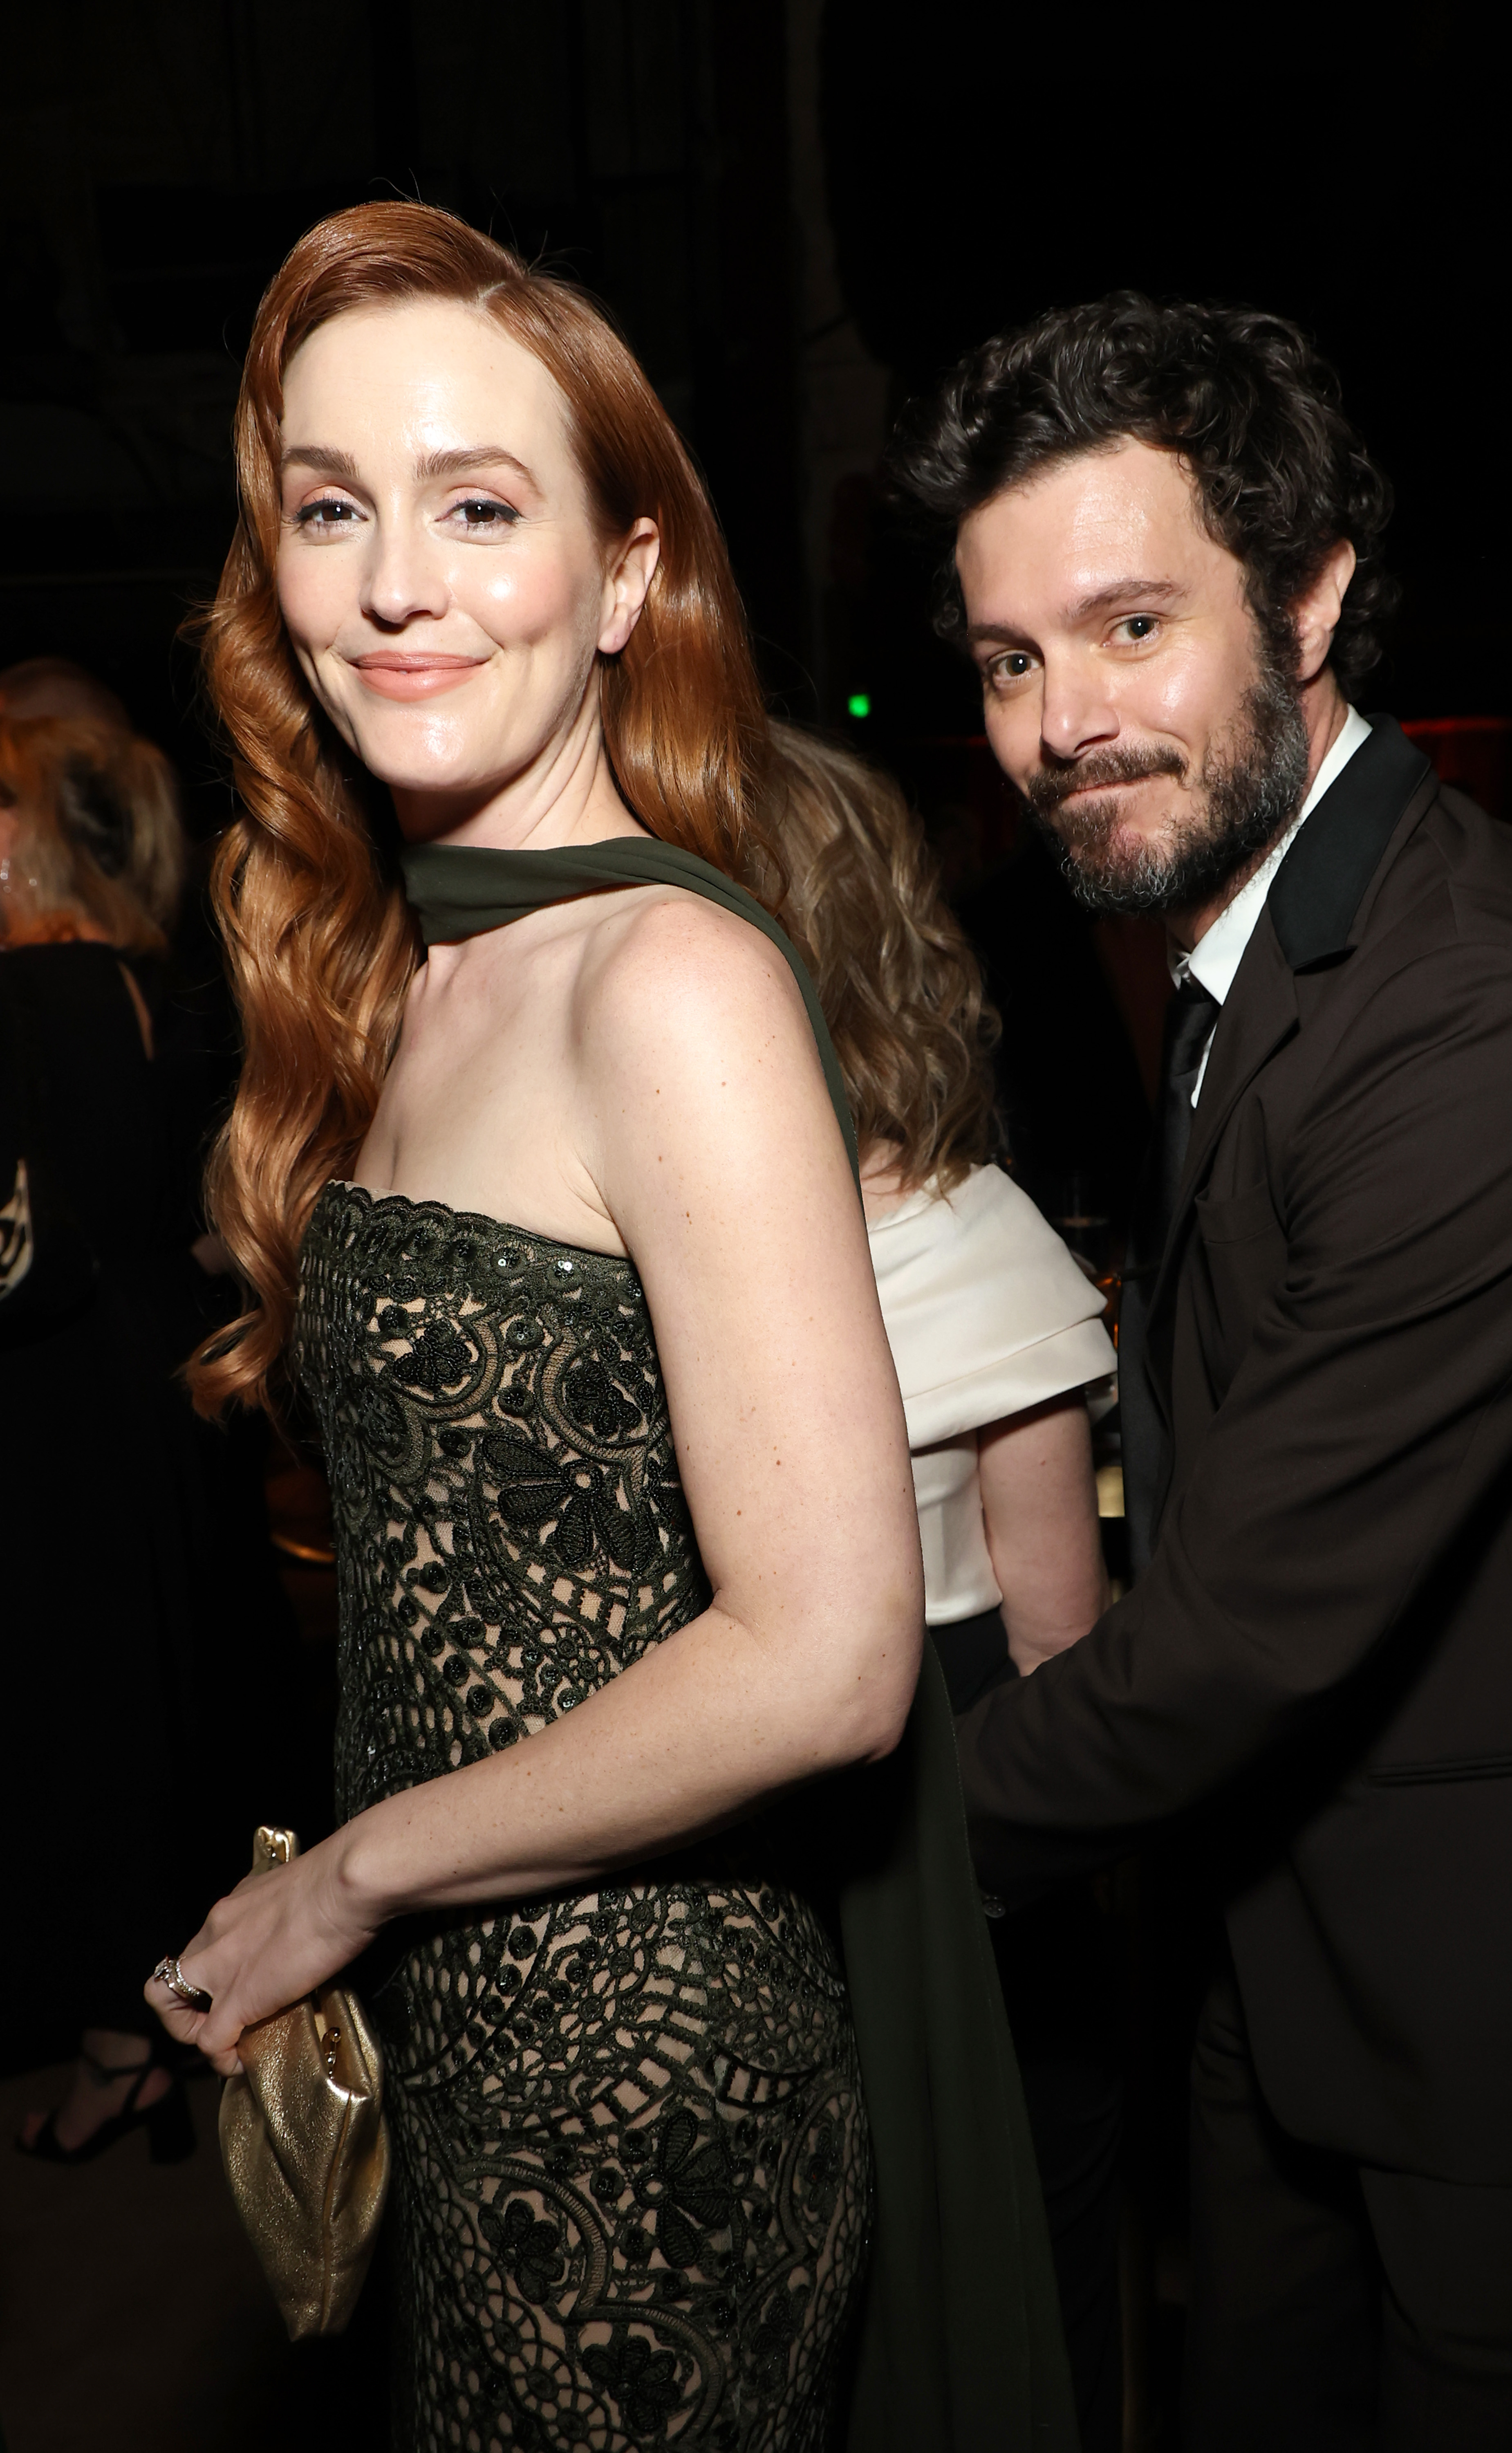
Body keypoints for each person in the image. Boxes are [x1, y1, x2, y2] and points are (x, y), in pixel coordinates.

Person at [146, 204, 1074, 2453]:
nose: (395, 582)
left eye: (481, 507)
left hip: (638, 2076)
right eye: (332, 509)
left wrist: (357, 1872)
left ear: (630, 571)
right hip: (463, 2024)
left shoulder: (672, 979)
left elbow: (833, 1656)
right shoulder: (427, 968)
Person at [886, 293, 1512, 2451]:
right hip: (1282, 1963)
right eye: (1014, 660)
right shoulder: (1261, 935)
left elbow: (1235, 1639)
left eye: (1130, 628)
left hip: (1508, 2033)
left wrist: (802, 1854)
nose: (1061, 723)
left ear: (1311, 602)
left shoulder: (1484, 1010)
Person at [767, 718, 1126, 2444]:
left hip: (907, 1798)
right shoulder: (959, 1240)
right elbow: (1066, 1642)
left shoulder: (966, 1247)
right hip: (871, 1780)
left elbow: (1055, 1647)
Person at [2, 711, 197, 2157]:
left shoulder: (21, 992)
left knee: (79, 1727)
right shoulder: (136, 981)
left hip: (55, 1405)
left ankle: (117, 2043)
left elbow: (19, 1256)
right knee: (150, 1704)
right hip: (153, 1391)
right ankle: (151, 2020)